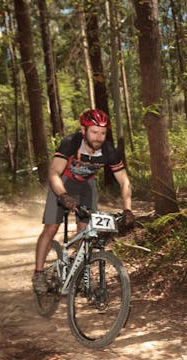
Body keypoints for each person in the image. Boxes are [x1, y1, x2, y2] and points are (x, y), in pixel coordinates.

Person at [32, 109, 134, 294]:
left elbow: (125, 181)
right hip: (62, 183)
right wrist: (63, 195)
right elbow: (54, 172)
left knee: (86, 231)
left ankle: (77, 271)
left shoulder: (108, 150)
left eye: (102, 133)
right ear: (83, 130)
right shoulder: (71, 143)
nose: (99, 137)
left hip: (86, 186)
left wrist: (127, 210)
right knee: (51, 228)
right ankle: (38, 273)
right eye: (94, 132)